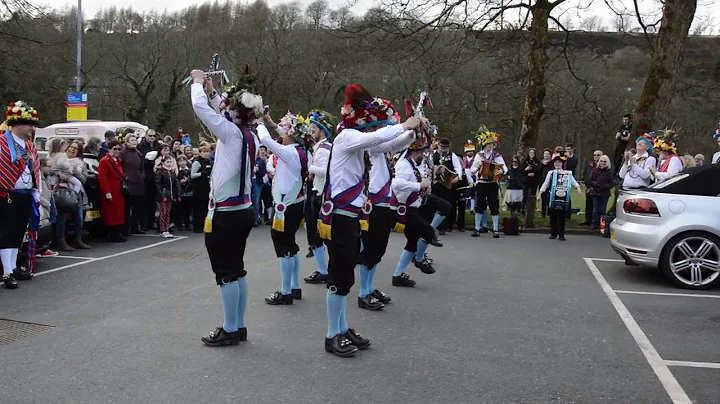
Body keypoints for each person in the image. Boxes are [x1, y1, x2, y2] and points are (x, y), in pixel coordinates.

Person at [316, 83, 425, 357]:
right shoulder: (346, 138)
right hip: (339, 217)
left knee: (345, 276)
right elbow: (377, 138)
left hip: (351, 217)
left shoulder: (361, 143)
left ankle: (341, 327)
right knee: (340, 275)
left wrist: (412, 132)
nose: (371, 129)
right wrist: (402, 125)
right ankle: (332, 334)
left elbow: (390, 143)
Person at [190, 66, 262, 347]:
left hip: (226, 213)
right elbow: (220, 111)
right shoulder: (250, 135)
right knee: (237, 269)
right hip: (242, 210)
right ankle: (238, 325)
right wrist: (212, 91)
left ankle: (231, 328)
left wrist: (197, 84)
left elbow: (201, 109)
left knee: (226, 272)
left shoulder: (231, 133)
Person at [358, 113, 415, 311]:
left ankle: (370, 287)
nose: (378, 129)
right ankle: (363, 293)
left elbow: (396, 144)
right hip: (372, 204)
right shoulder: (367, 144)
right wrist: (405, 128)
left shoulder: (378, 147)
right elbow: (390, 143)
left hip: (383, 204)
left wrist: (412, 132)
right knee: (370, 249)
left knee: (378, 250)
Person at [258, 112, 312, 306]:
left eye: (286, 130)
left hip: (286, 206)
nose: (283, 132)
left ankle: (285, 290)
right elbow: (287, 136)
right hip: (296, 202)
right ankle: (294, 287)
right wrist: (273, 123)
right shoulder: (302, 150)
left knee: (283, 245)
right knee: (290, 244)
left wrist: (258, 123)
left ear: (293, 135)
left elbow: (265, 139)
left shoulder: (288, 152)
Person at [0, 101, 41, 289]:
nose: (32, 128)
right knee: (7, 232)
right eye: (30, 124)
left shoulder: (30, 146)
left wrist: (36, 191)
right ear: (17, 125)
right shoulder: (2, 143)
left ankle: (14, 266)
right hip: (7, 194)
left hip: (25, 194)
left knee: (18, 232)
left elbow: (35, 171)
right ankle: (6, 271)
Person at [391, 135, 435, 290]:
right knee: (429, 233)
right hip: (405, 208)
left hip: (413, 206)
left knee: (412, 241)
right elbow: (396, 184)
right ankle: (420, 259)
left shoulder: (411, 164)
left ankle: (398, 276)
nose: (422, 154)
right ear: (415, 152)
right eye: (421, 151)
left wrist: (424, 184)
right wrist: (418, 185)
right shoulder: (403, 164)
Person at [303, 109, 336, 285]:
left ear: (322, 130)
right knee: (315, 234)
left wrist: (311, 168)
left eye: (313, 128)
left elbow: (326, 171)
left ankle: (325, 271)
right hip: (318, 193)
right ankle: (325, 270)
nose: (310, 131)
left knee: (316, 234)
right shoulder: (321, 148)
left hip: (319, 195)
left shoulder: (323, 149)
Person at [470, 126, 507, 238]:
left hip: (492, 184)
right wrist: (478, 166)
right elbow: (472, 170)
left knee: (494, 206)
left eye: (492, 144)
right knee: (479, 206)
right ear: (484, 145)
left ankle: (495, 230)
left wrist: (500, 170)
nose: (490, 146)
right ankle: (477, 228)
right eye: (488, 144)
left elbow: (505, 169)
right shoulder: (478, 155)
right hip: (481, 184)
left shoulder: (497, 156)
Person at [538, 154, 582, 241]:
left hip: (564, 198)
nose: (557, 164)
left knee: (562, 216)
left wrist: (578, 188)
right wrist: (540, 194)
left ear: (562, 164)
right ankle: (553, 233)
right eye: (556, 162)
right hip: (552, 197)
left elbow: (574, 182)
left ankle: (561, 234)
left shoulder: (567, 173)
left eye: (559, 162)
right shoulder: (551, 173)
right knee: (553, 216)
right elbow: (546, 184)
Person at [98, 140, 127, 242]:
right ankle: (113, 233)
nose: (117, 151)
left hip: (118, 190)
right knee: (111, 213)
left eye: (119, 149)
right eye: (114, 149)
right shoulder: (104, 161)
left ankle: (118, 232)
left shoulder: (118, 160)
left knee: (119, 212)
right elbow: (102, 178)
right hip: (111, 190)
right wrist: (107, 192)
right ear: (109, 149)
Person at [586, 155, 614, 229]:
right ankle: (594, 223)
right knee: (595, 209)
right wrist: (596, 184)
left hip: (604, 193)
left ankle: (602, 224)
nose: (602, 163)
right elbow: (590, 180)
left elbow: (611, 183)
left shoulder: (609, 172)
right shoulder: (595, 170)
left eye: (604, 161)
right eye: (601, 161)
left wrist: (603, 186)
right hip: (595, 192)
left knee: (602, 209)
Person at [155, 156, 180, 238]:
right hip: (163, 196)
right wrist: (162, 195)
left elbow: (175, 185)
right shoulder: (160, 172)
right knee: (163, 213)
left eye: (170, 162)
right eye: (167, 162)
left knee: (168, 213)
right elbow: (158, 185)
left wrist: (177, 195)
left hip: (170, 196)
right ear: (163, 163)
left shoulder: (172, 173)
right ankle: (162, 230)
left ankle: (166, 229)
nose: (169, 164)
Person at [190, 145, 212, 233]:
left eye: (207, 152)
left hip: (206, 187)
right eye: (204, 152)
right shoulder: (197, 162)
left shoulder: (209, 162)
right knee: (198, 208)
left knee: (204, 207)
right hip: (198, 188)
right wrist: (201, 174)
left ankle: (204, 225)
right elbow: (192, 175)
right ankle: (197, 226)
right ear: (200, 153)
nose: (206, 154)